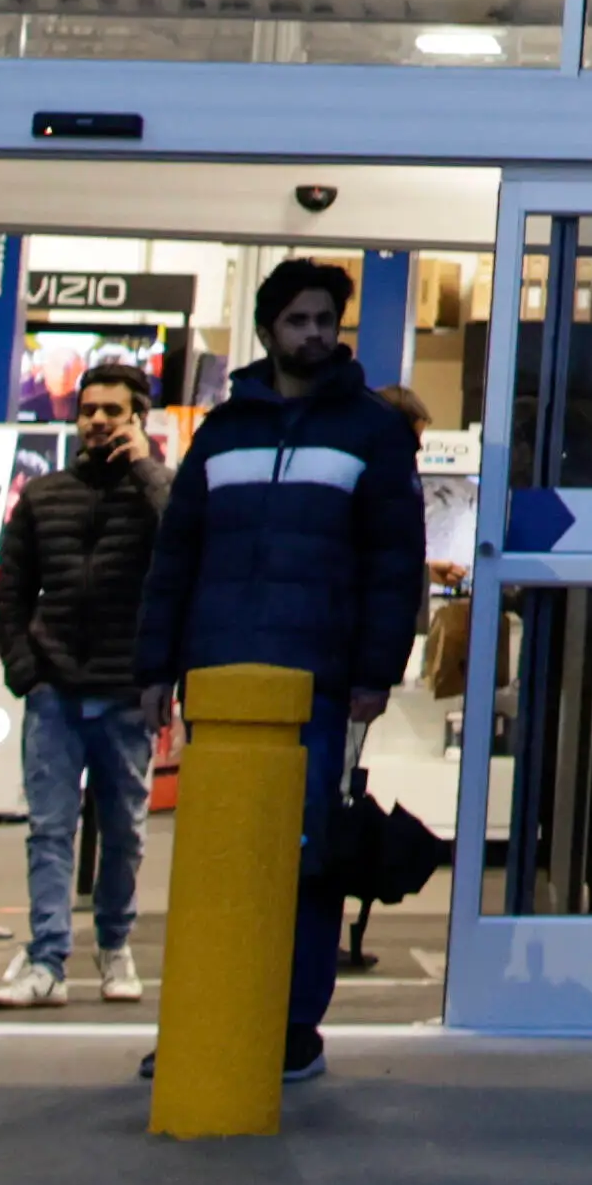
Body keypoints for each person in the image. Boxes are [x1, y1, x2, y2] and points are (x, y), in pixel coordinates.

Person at [129, 256, 423, 1081]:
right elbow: (175, 556)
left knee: (307, 857)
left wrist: (376, 672)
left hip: (319, 683)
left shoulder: (373, 433)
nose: (315, 335)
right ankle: (206, 1015)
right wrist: (156, 668)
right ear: (267, 330)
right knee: (218, 858)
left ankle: (293, 1024)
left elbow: (395, 563)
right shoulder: (222, 433)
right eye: (299, 321)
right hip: (219, 684)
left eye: (327, 321)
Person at [0, 358, 166, 1009]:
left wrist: (146, 466)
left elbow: (184, 541)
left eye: (112, 411)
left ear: (138, 418)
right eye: (88, 410)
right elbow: (10, 590)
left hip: (126, 690)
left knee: (125, 833)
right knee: (50, 830)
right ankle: (48, 960)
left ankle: (114, 946)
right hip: (54, 689)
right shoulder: (44, 495)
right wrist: (25, 668)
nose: (96, 421)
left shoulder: (157, 493)